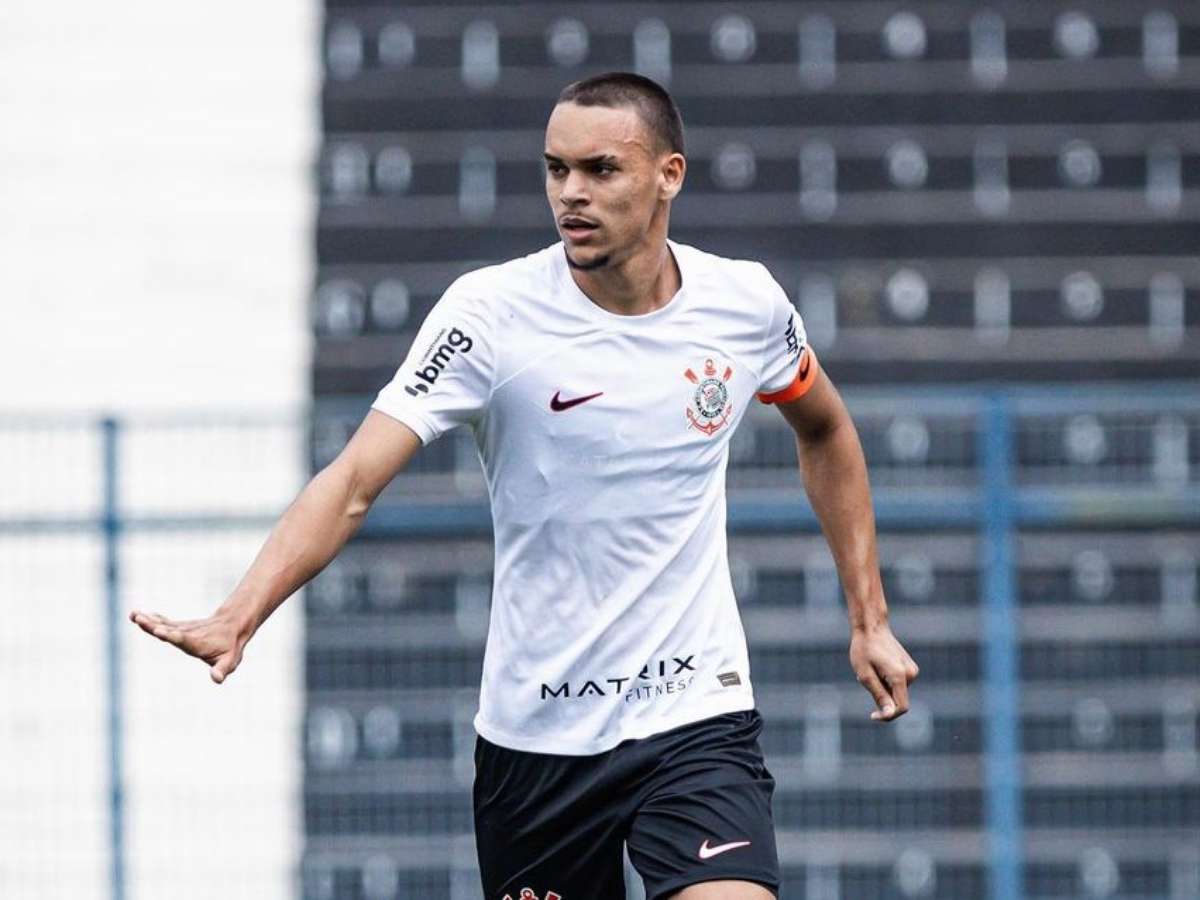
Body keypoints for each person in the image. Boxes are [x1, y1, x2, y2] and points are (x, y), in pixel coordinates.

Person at [131, 71, 919, 900]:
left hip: (694, 716)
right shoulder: (490, 315)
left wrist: (869, 619)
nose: (571, 193)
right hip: (539, 745)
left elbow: (825, 429)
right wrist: (240, 613)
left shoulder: (744, 302)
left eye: (600, 170)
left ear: (669, 176)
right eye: (555, 169)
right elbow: (355, 478)